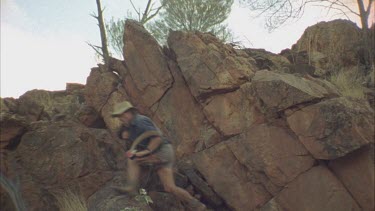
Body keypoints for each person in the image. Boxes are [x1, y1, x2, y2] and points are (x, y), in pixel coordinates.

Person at [111, 101, 206, 210]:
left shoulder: (140, 121)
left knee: (133, 160)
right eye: (119, 116)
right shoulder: (130, 126)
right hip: (164, 154)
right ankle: (197, 205)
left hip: (162, 152)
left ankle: (131, 187)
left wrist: (145, 152)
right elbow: (124, 136)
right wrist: (126, 136)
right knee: (170, 187)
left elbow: (157, 138)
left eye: (122, 115)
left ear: (129, 112)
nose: (121, 118)